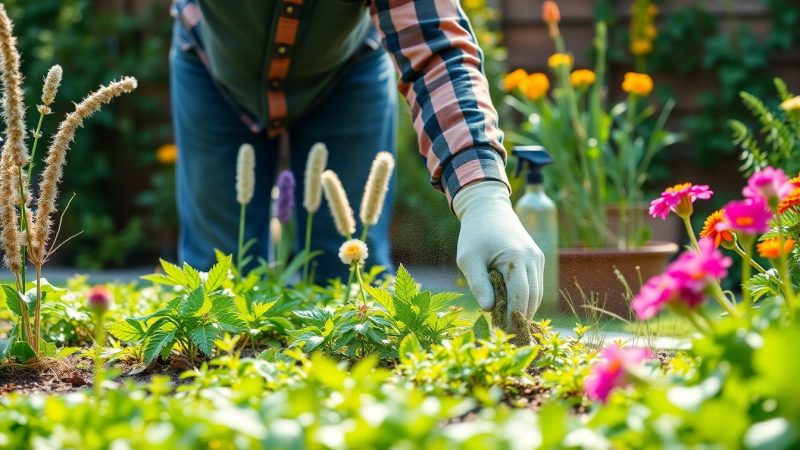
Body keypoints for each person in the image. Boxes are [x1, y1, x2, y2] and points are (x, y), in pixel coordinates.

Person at [169, 0, 545, 320]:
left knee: (350, 279)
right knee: (215, 282)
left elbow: (436, 47)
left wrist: (482, 198)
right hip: (213, 66)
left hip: (346, 74)